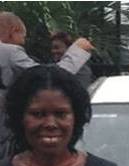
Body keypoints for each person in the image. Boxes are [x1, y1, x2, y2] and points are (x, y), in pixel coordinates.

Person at [0, 11, 93, 157]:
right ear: (13, 31)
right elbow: (45, 77)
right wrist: (77, 51)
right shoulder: (9, 52)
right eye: (22, 37)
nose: (23, 43)